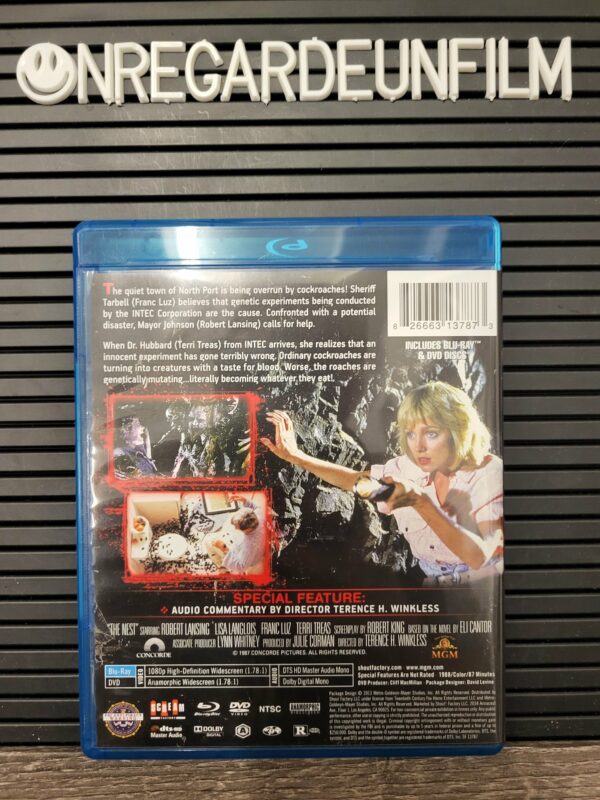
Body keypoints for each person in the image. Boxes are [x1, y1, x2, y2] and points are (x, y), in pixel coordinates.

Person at [261, 381, 503, 586]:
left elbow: (478, 557)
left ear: (458, 429)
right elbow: (355, 481)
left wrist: (420, 502)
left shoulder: (488, 473)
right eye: (411, 433)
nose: (418, 446)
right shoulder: (407, 468)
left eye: (431, 433)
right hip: (431, 581)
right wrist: (296, 456)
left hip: (481, 585)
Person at [208, 500, 265, 576]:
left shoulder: (249, 545)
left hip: (249, 560)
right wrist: (245, 501)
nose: (235, 528)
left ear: (248, 529)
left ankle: (225, 569)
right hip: (254, 545)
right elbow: (256, 507)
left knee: (210, 543)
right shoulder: (259, 514)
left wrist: (224, 548)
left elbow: (241, 566)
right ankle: (223, 566)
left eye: (237, 527)